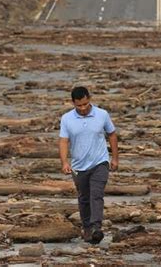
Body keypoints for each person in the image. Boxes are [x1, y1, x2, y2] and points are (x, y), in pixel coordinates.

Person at [59, 86, 118, 245]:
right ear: (73, 103)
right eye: (79, 105)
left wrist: (115, 158)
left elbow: (112, 134)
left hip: (100, 162)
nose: (83, 108)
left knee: (96, 194)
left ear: (89, 99)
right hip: (78, 166)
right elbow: (64, 141)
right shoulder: (66, 119)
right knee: (84, 198)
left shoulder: (102, 114)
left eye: (85, 104)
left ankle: (96, 228)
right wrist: (65, 162)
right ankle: (87, 228)